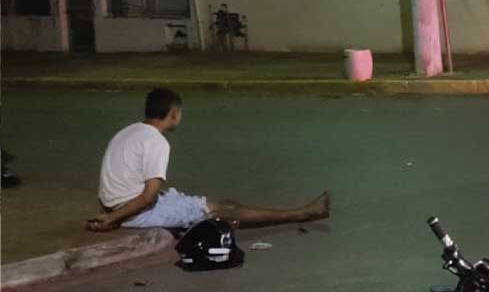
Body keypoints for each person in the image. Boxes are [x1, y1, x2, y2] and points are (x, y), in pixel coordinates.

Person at [88, 88, 330, 232]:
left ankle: (297, 212)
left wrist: (111, 212)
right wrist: (113, 219)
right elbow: (148, 196)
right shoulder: (156, 142)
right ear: (173, 113)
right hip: (135, 212)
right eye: (179, 113)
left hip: (119, 204)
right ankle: (299, 214)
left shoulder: (130, 130)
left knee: (224, 203)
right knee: (223, 211)